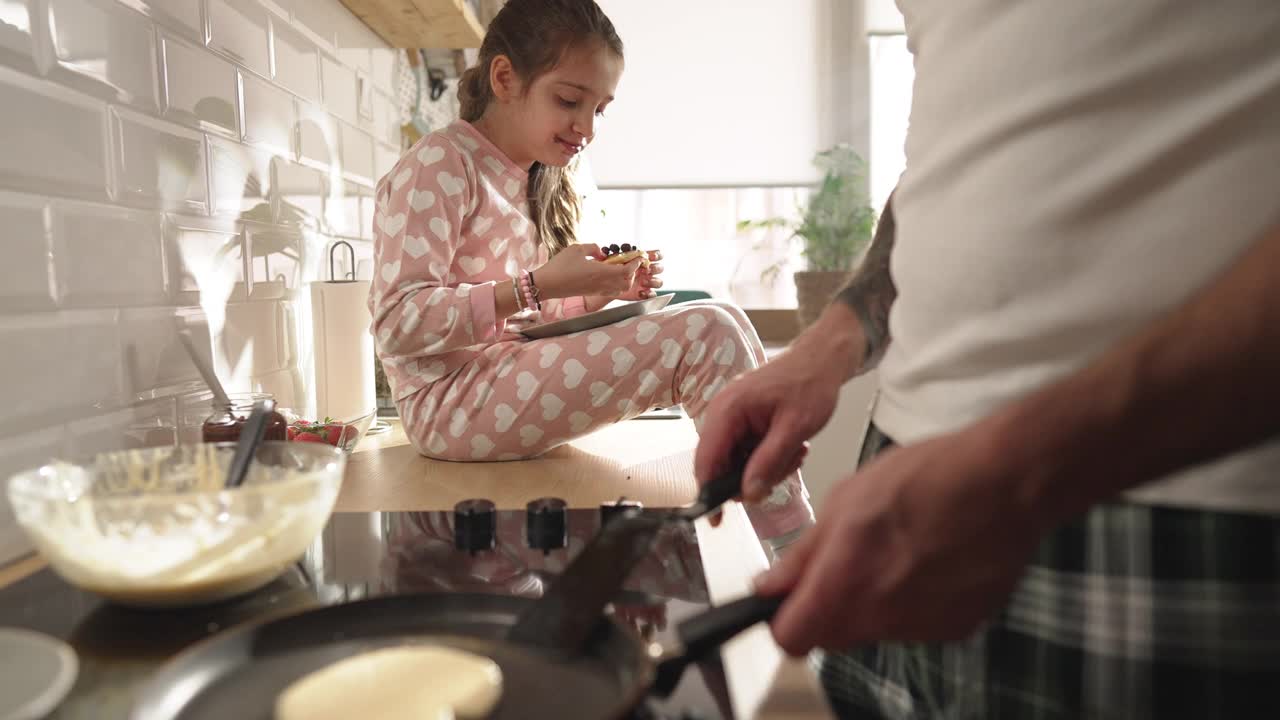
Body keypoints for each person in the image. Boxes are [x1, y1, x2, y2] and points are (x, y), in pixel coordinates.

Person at [695, 1, 1280, 717]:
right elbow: (966, 140)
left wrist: (1014, 468)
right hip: (910, 478)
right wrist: (833, 339)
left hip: (1176, 512)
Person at [367, 0, 813, 546]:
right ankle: (794, 544)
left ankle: (781, 531)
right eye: (569, 100)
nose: (587, 127)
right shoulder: (442, 163)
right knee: (709, 333)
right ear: (505, 78)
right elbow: (395, 323)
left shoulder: (526, 174)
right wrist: (539, 284)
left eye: (599, 109)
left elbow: (515, 318)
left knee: (727, 317)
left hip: (489, 383)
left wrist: (591, 294)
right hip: (447, 405)